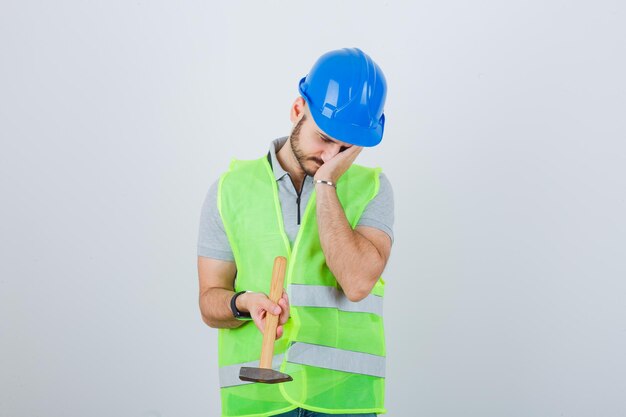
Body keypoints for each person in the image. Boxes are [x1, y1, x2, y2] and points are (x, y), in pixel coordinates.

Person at [197, 47, 394, 417]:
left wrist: (326, 184)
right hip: (256, 402)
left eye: (346, 147)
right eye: (324, 138)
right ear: (297, 110)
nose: (331, 155)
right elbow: (209, 301)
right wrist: (243, 303)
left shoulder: (373, 189)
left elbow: (356, 283)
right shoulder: (230, 190)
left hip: (343, 400)